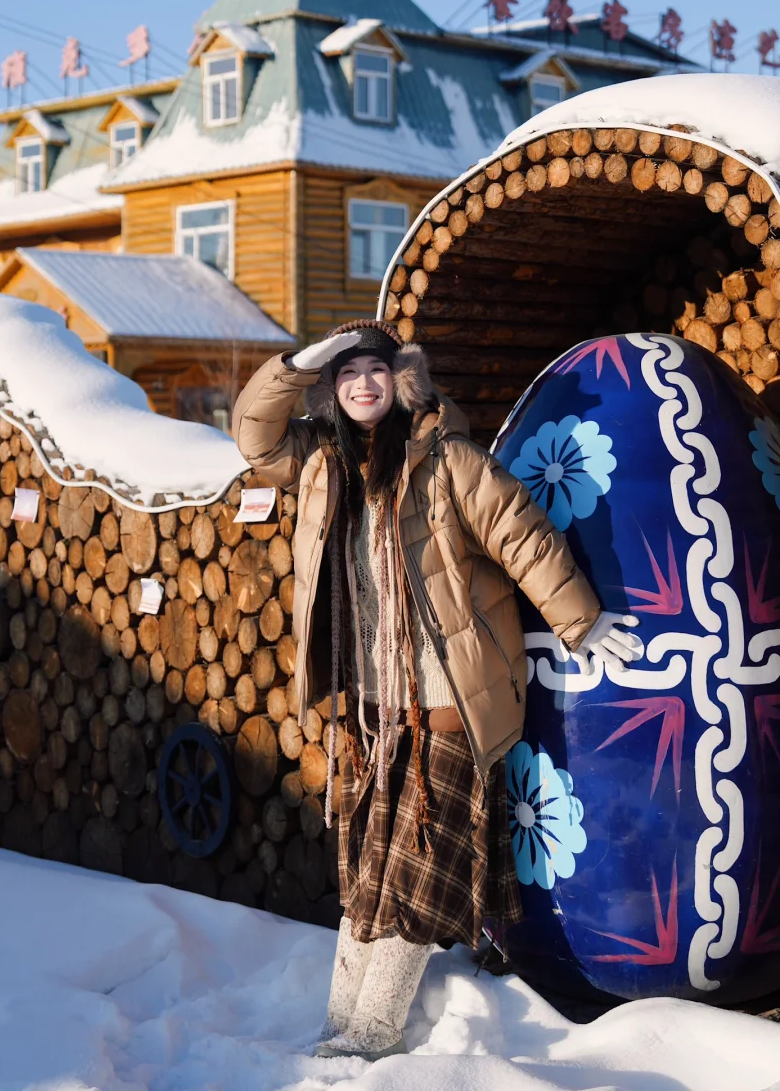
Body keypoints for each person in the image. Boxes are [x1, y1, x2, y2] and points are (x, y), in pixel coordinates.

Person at [232, 320, 641, 1060]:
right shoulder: (322, 462)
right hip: (369, 710)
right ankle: (338, 1031)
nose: (362, 384)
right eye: (347, 372)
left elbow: (522, 534)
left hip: (449, 703)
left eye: (376, 372)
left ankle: (373, 1037)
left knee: (417, 883)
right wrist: (296, 364)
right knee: (365, 881)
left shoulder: (448, 459)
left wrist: (580, 622)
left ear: (403, 381)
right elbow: (255, 438)